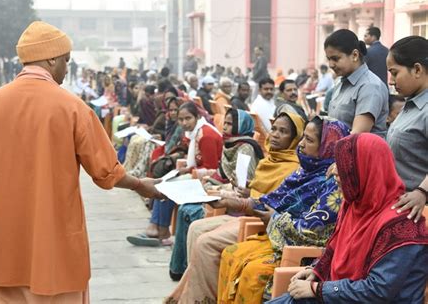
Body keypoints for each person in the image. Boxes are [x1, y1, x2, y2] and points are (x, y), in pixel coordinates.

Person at [0, 21, 161, 302]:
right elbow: (107, 173)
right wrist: (141, 185)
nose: (67, 69)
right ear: (52, 58)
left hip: (7, 242)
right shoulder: (72, 107)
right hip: (55, 248)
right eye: (66, 61)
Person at [268, 134, 428, 304]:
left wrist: (317, 289)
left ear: (368, 169)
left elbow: (378, 290)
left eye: (345, 165)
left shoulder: (403, 224)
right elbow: (335, 249)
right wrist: (316, 271)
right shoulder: (355, 206)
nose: (335, 171)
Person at [165, 112, 306, 303]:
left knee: (205, 242)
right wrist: (246, 190)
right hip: (248, 211)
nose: (275, 134)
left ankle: (201, 298)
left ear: (295, 138)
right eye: (274, 129)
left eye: (283, 131)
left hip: (259, 222)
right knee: (196, 228)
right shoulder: (269, 160)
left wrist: (232, 199)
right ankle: (197, 293)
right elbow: (260, 193)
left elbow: (272, 204)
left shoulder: (293, 166)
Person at [217, 118, 350, 304]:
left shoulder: (334, 183)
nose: (301, 144)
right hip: (279, 239)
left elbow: (311, 231)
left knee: (253, 272)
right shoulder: (303, 171)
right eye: (303, 137)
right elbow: (270, 201)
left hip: (304, 252)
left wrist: (275, 218)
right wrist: (236, 202)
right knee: (231, 253)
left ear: (328, 147)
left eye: (309, 140)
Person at [169, 109, 264, 280]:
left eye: (230, 123)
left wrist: (216, 190)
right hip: (220, 193)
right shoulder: (229, 143)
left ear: (241, 126)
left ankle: (186, 271)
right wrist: (208, 184)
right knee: (185, 208)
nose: (225, 127)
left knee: (190, 212)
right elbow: (220, 173)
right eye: (225, 123)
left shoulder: (246, 148)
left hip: (233, 204)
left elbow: (243, 186)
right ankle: (181, 269)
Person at [127, 101, 222, 247]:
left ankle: (161, 230)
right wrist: (186, 169)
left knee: (169, 186)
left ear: (197, 117)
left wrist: (189, 170)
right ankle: (156, 227)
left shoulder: (206, 135)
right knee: (162, 183)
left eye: (188, 118)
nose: (184, 123)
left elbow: (211, 168)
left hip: (210, 181)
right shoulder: (194, 132)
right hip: (197, 174)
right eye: (181, 119)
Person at [386, 36, 428, 224]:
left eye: (395, 73)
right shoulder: (411, 104)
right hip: (400, 207)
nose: (392, 81)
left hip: (419, 212)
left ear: (417, 69)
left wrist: (422, 192)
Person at [325, 29, 388, 137]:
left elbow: (356, 136)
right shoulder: (340, 83)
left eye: (335, 58)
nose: (331, 64)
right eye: (328, 59)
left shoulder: (370, 86)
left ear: (354, 55)